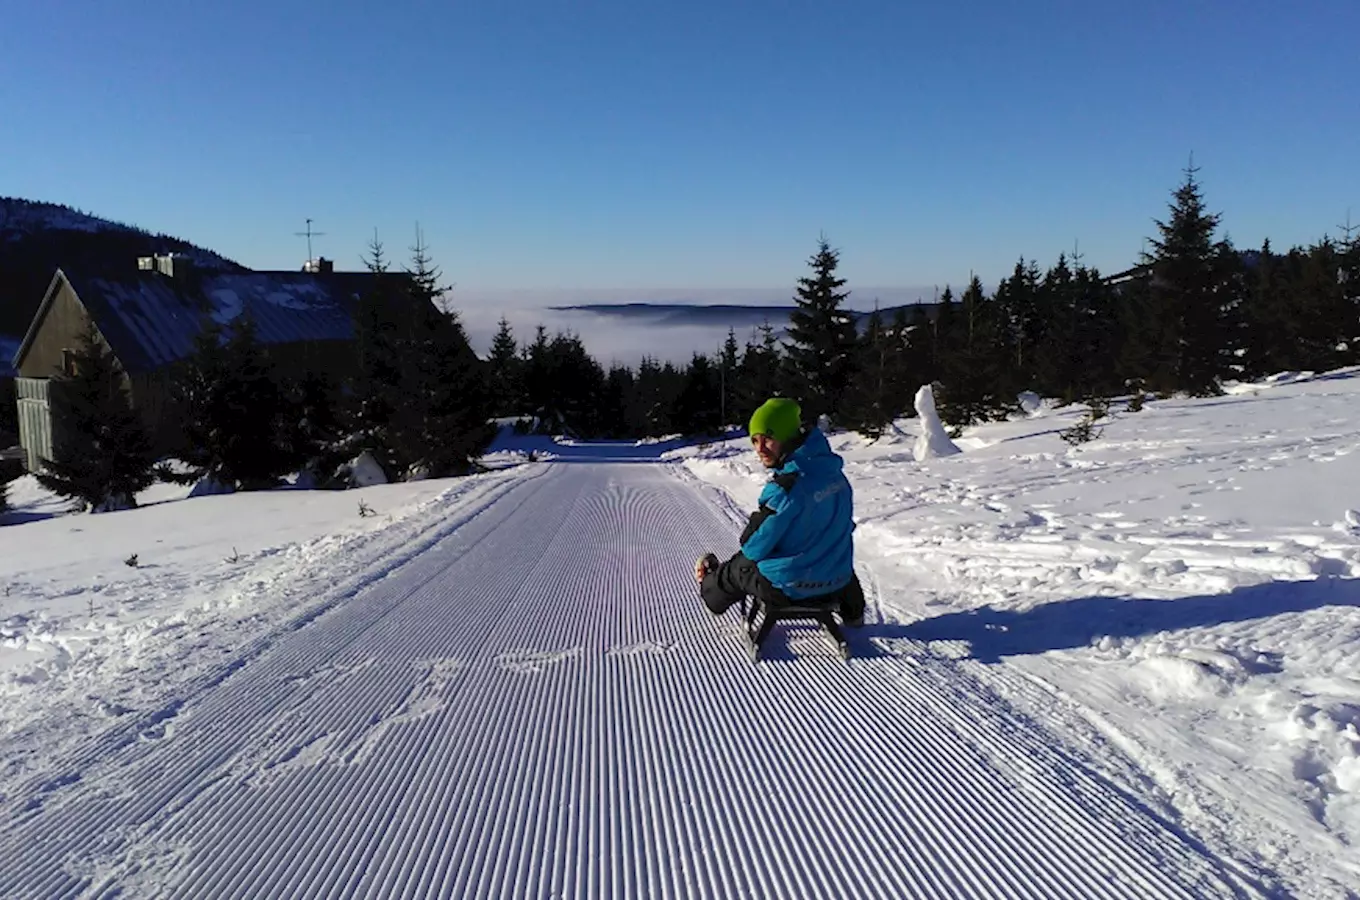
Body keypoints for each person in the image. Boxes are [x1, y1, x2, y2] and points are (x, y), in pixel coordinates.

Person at [695, 397, 865, 626]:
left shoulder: (787, 487)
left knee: (740, 566)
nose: (760, 449)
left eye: (768, 439)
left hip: (791, 589)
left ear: (786, 437)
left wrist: (760, 519)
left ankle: (711, 592)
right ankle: (854, 612)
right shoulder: (835, 475)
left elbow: (752, 546)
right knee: (831, 546)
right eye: (755, 440)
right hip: (837, 583)